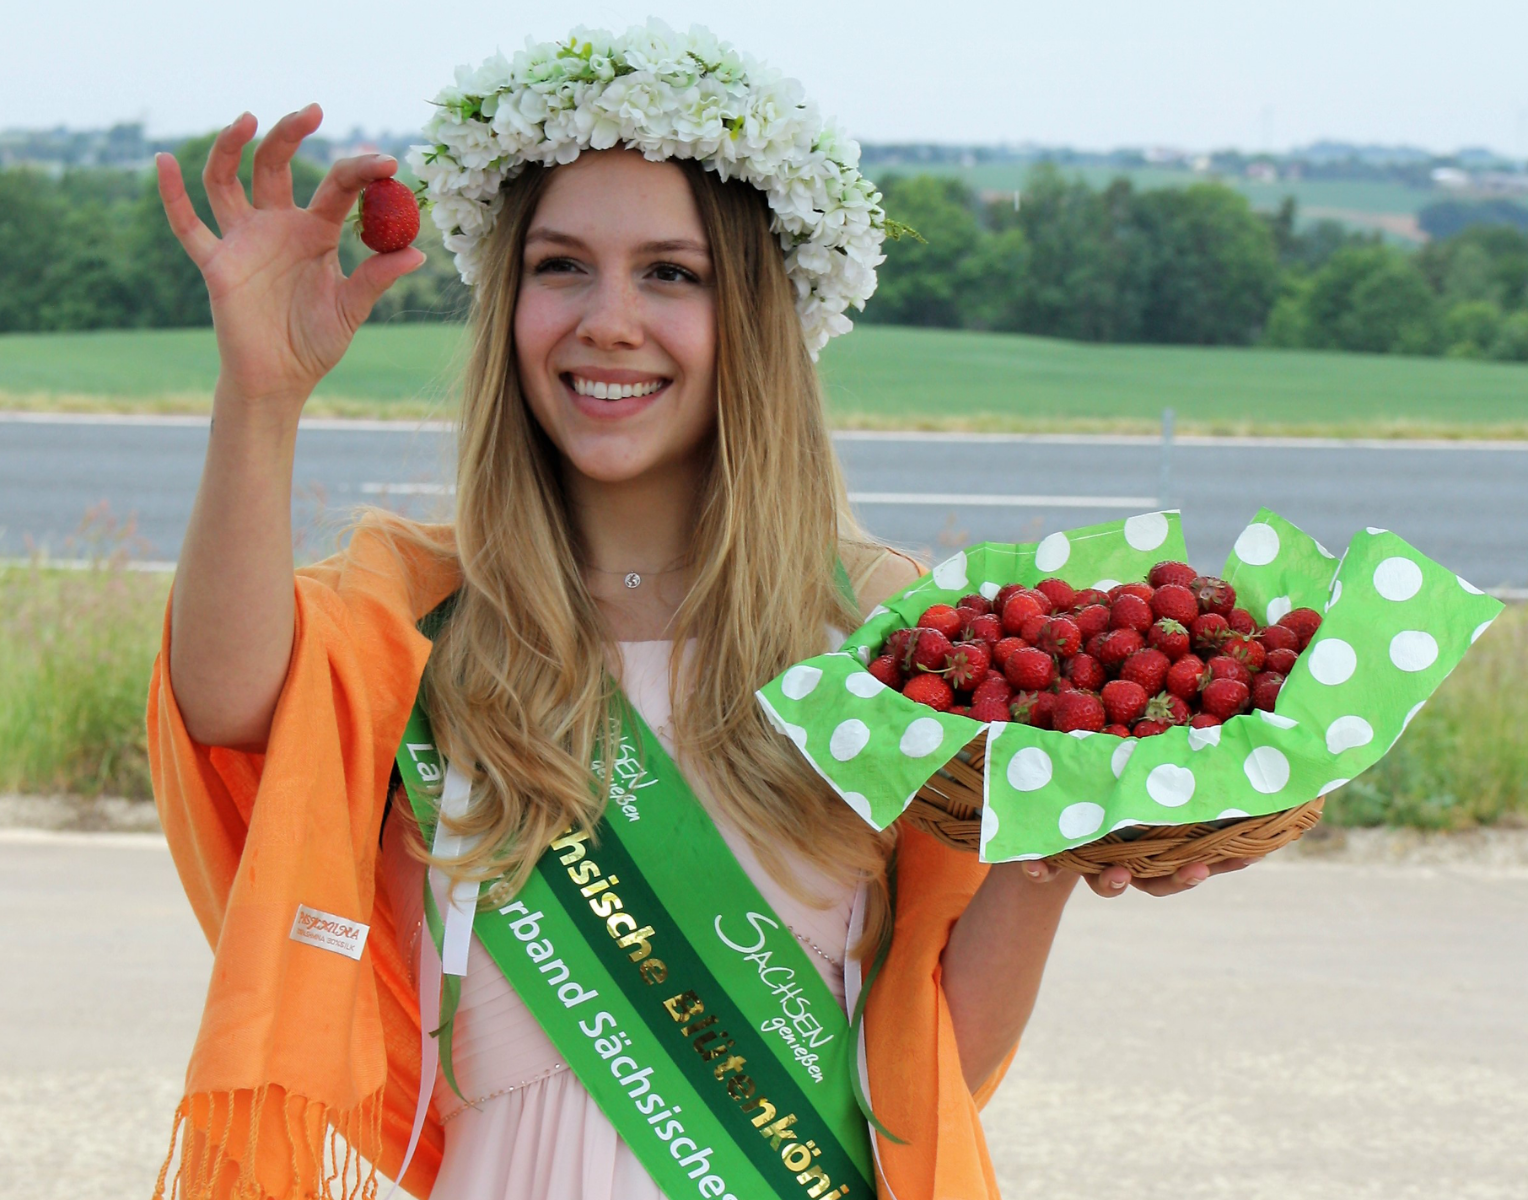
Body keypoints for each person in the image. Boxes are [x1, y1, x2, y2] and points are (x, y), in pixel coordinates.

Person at [147, 23, 1254, 1200]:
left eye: (670, 273)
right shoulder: (418, 616)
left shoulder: (887, 634)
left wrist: (1061, 833)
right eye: (559, 264)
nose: (607, 319)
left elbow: (938, 1067)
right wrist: (259, 397)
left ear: (758, 317)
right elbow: (224, 705)